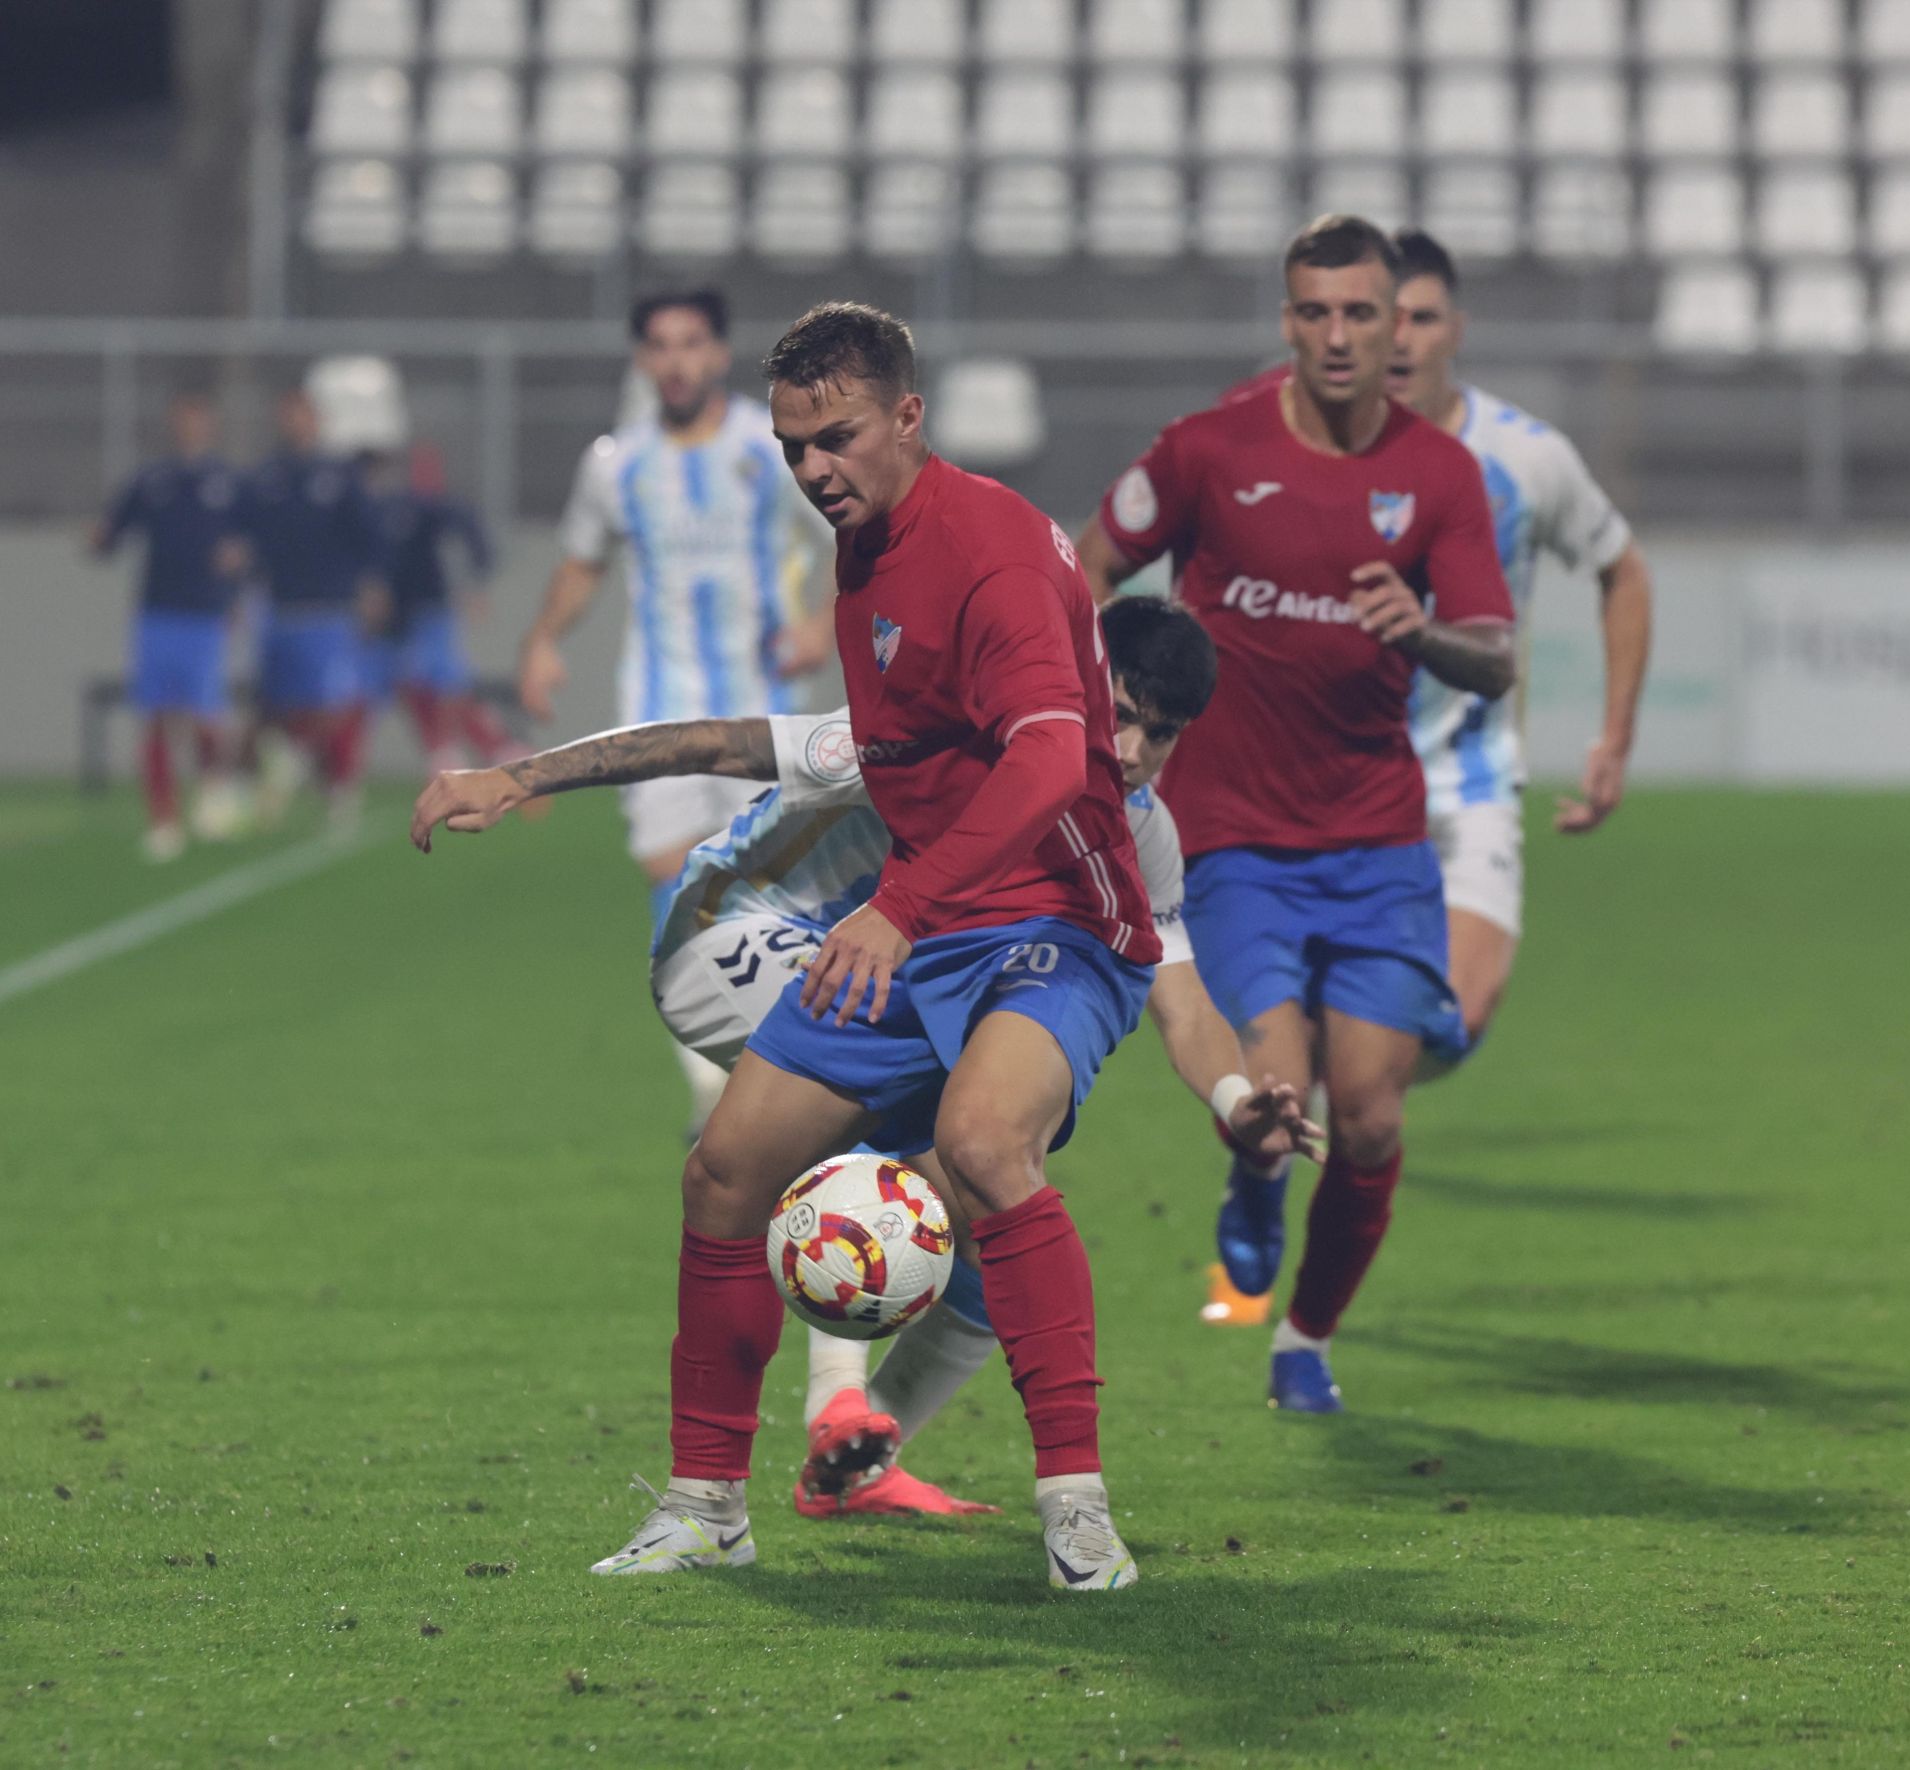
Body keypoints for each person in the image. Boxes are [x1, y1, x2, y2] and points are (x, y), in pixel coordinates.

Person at [412, 597, 1320, 1519]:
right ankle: (828, 1403)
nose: (1131, 752)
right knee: (924, 1118)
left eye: (1159, 735)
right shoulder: (946, 738)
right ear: (1082, 683)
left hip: (877, 973)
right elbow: (722, 745)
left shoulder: (1139, 835)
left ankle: (863, 1450)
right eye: (1121, 714)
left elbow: (1182, 995)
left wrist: (1240, 1098)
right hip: (732, 930)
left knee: (998, 1208)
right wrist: (521, 776)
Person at [1077, 216, 1516, 1414]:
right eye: (1313, 312)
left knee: (1368, 1114)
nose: (1336, 335)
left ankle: (1306, 1340)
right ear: (1287, 320)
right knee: (1272, 1106)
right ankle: (1256, 1180)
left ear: (1396, 326)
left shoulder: (1439, 474)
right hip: (1229, 841)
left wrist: (1416, 629)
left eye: (1360, 313)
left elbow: (1494, 658)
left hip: (1376, 842)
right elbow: (1086, 570)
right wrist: (1094, 708)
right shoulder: (1208, 450)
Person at [516, 287, 833, 1134]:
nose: (677, 360)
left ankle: (784, 1068)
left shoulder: (768, 450)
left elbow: (850, 534)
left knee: (767, 887)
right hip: (657, 705)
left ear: (720, 352)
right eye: (660, 344)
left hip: (760, 706)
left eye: (692, 342)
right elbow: (584, 561)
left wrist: (821, 623)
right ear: (641, 359)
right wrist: (544, 638)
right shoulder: (614, 463)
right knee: (673, 874)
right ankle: (710, 1081)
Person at [1388, 228, 1653, 1056]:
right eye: (1383, 315)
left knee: (1453, 1022)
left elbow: (1624, 571)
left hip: (1467, 775)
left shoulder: (1525, 455)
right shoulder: (1300, 447)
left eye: (1423, 317)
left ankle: (1348, 1092)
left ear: (1456, 330)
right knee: (1333, 1042)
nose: (1402, 337)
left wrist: (1615, 734)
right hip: (1332, 778)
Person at [89, 391, 248, 860]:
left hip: (205, 614)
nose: (190, 427)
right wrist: (98, 537)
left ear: (210, 424)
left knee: (204, 715)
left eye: (198, 419)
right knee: (157, 717)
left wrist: (238, 580)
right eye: (183, 419)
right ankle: (163, 821)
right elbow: (110, 534)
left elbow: (254, 541)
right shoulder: (150, 479)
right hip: (158, 613)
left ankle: (214, 797)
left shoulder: (228, 482)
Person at [235, 389, 386, 829]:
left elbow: (370, 537)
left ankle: (332, 785)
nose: (295, 423)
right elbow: (245, 538)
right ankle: (280, 775)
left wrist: (372, 588)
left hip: (329, 608)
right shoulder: (266, 477)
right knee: (274, 708)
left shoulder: (340, 476)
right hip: (278, 607)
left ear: (316, 421)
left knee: (331, 706)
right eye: (288, 415)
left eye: (303, 415)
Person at [362, 442, 519, 775]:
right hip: (395, 621)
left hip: (431, 610)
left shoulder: (429, 508)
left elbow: (472, 538)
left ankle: (461, 748)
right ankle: (475, 747)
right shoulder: (379, 510)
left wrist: (475, 584)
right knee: (411, 687)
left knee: (445, 684)